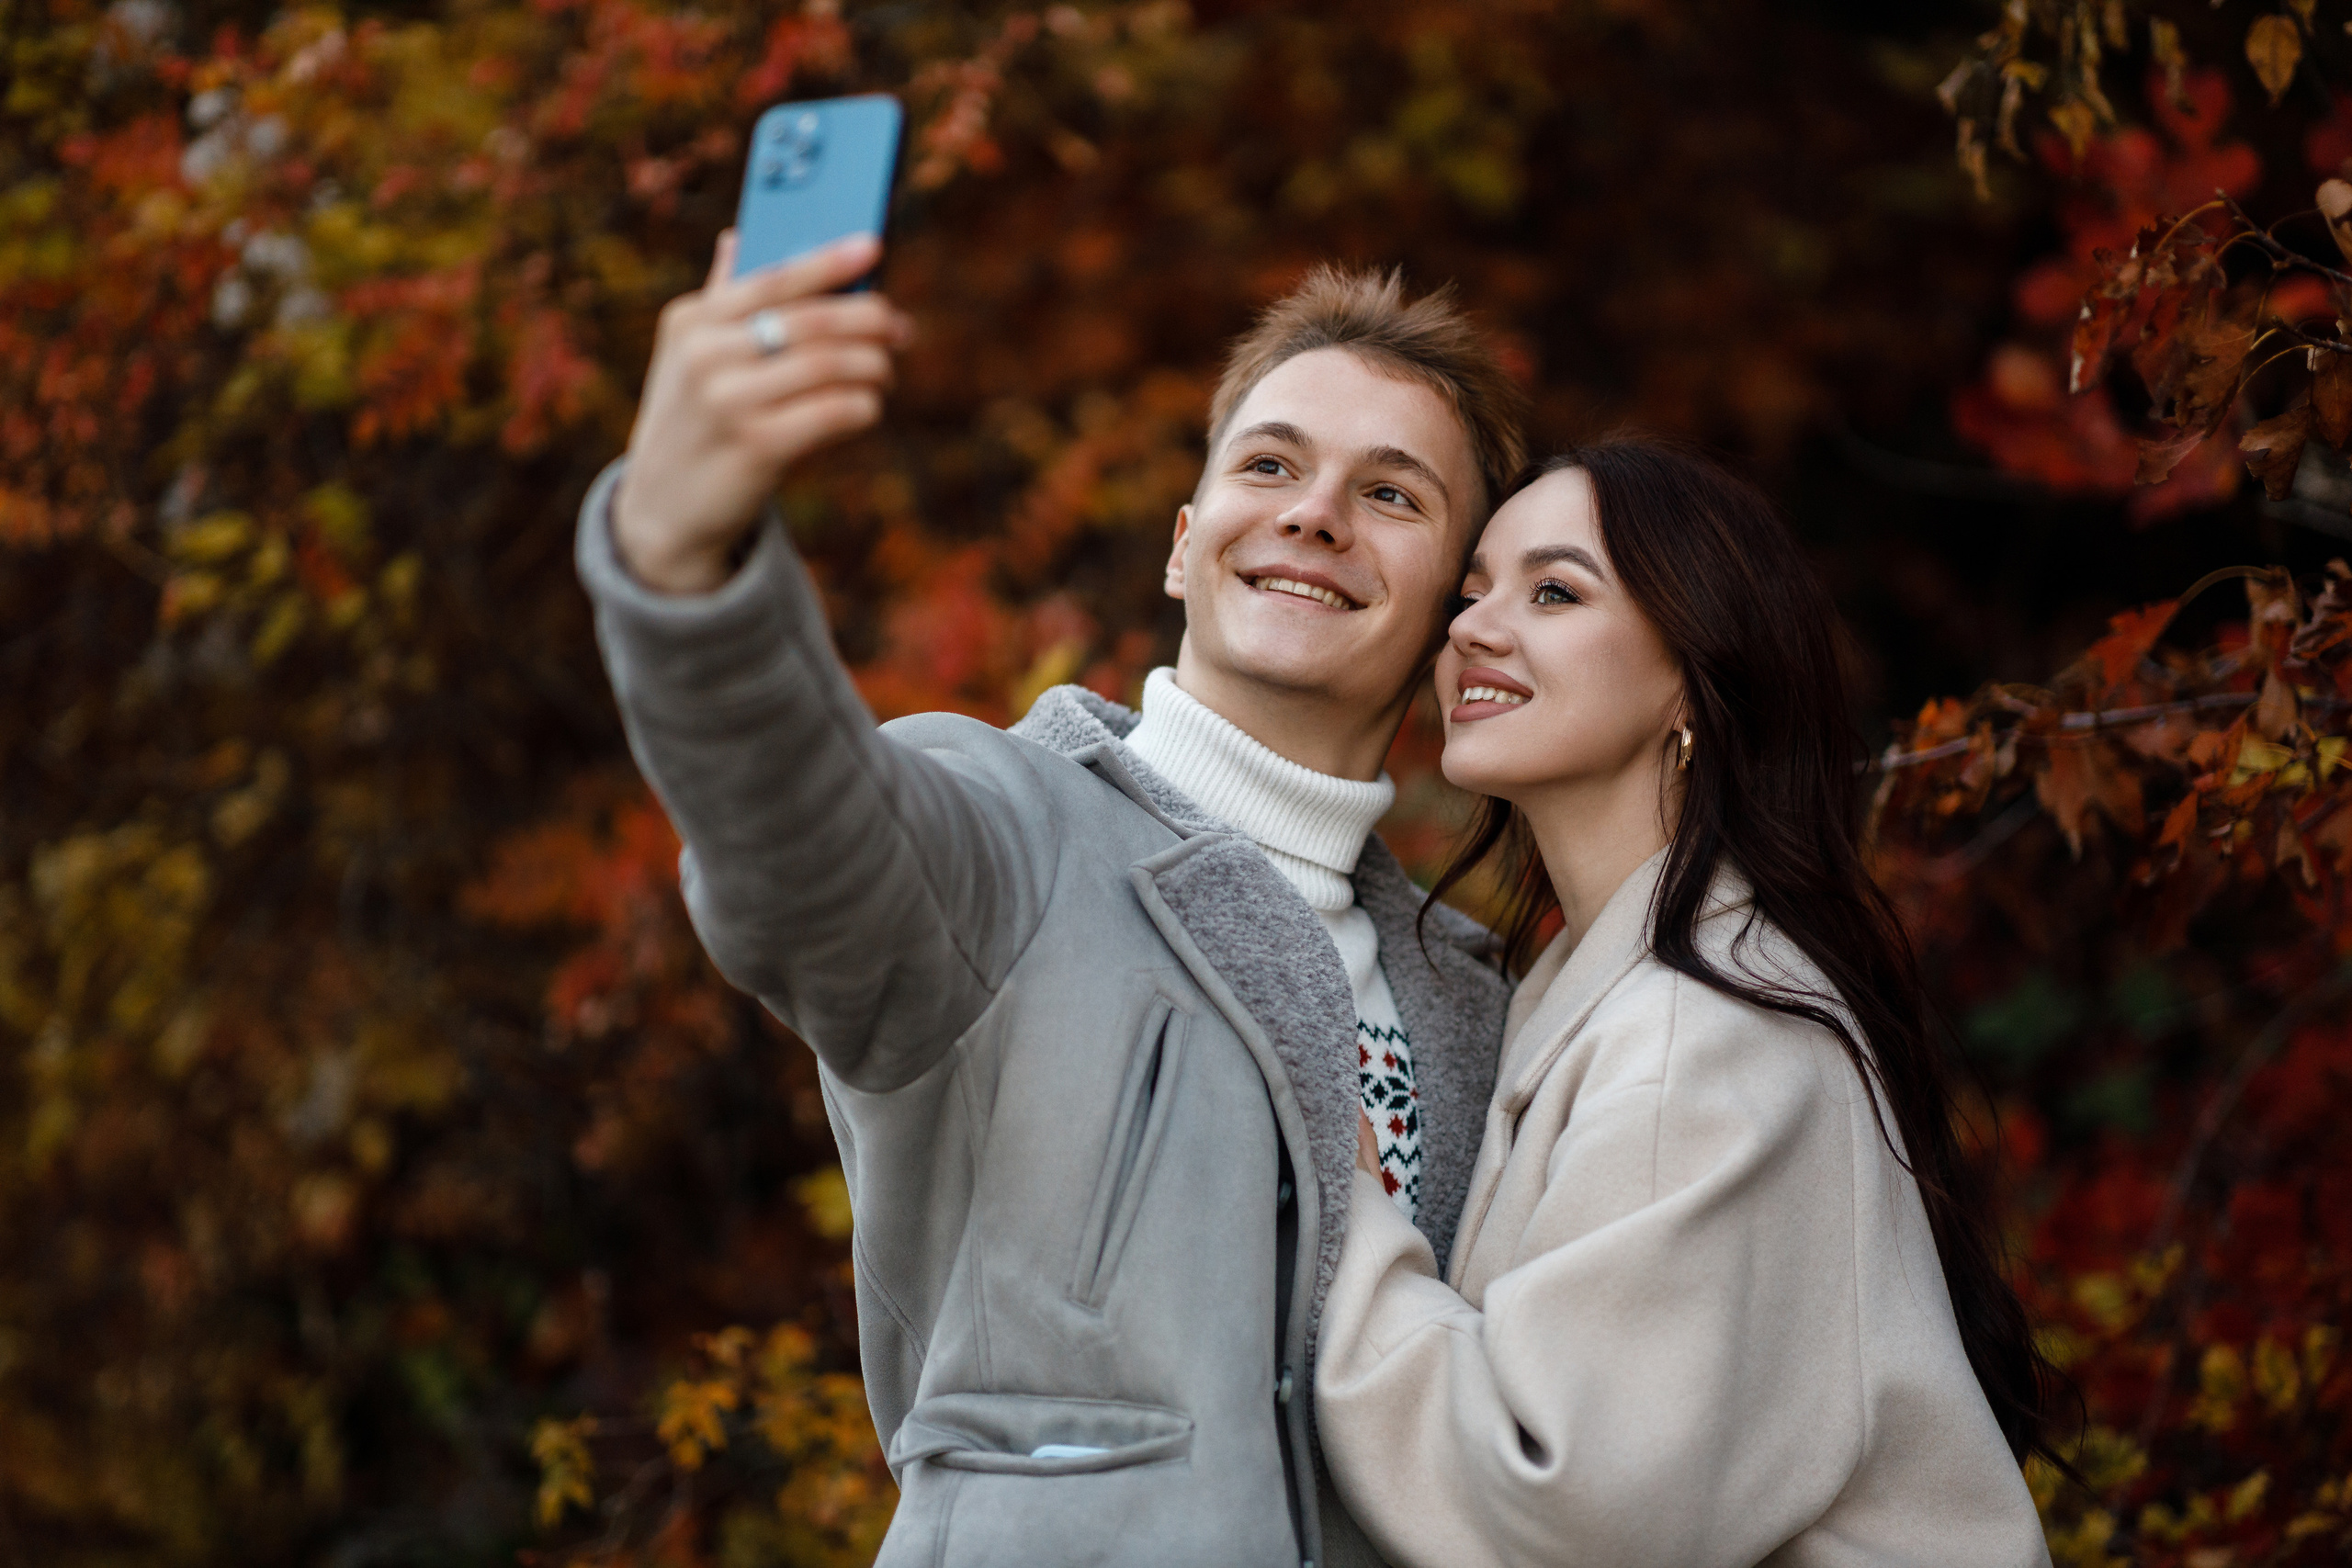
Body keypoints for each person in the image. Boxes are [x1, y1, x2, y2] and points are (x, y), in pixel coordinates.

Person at [574, 229, 1527, 1567]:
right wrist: (685, 568)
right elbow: (794, 847)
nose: (1316, 511)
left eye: (1393, 494)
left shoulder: (1481, 998)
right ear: (1184, 546)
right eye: (1270, 463)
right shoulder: (1002, 830)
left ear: (1448, 612)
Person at [1317, 436, 2059, 1568]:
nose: (1470, 626)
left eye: (1554, 591)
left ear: (1692, 680)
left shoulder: (1706, 1039)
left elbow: (1561, 1515)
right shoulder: (1614, 992)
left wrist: (1347, 1208)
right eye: (1472, 592)